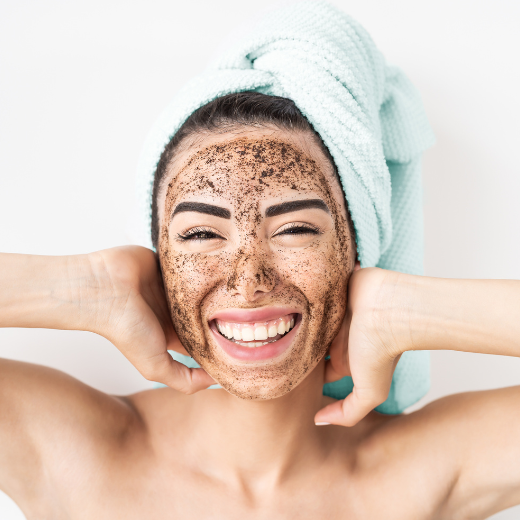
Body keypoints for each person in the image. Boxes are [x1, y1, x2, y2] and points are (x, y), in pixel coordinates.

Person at [2, 3, 520, 519]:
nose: (249, 281)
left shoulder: (424, 471)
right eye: (202, 233)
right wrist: (85, 286)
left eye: (295, 230)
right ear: (160, 259)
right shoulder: (71, 453)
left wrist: (402, 310)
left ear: (355, 247)